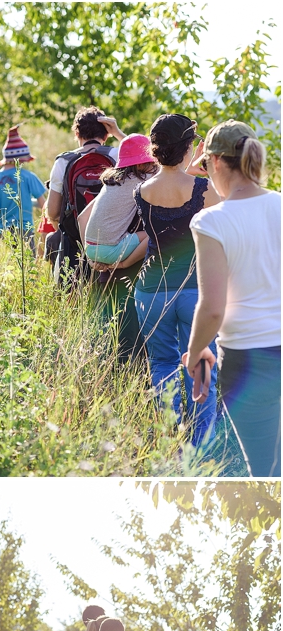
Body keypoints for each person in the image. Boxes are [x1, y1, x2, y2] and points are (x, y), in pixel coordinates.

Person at [183, 120, 282, 478]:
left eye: (207, 166)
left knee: (267, 471)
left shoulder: (211, 221)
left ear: (218, 163)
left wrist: (195, 354)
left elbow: (212, 308)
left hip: (249, 360)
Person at [133, 114, 220, 449]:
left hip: (151, 291)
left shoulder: (142, 190)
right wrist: (203, 173)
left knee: (162, 364)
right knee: (200, 367)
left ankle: (169, 441)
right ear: (188, 148)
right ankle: (198, 450)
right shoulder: (202, 189)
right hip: (194, 291)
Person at [45, 108, 126, 276]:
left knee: (71, 297)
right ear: (106, 134)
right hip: (116, 244)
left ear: (77, 134)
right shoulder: (119, 155)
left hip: (74, 246)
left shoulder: (64, 161)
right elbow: (151, 160)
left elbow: (52, 212)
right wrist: (118, 133)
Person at [80, 134, 157, 268]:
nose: (154, 166)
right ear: (140, 165)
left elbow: (81, 218)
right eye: (151, 163)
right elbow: (169, 177)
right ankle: (124, 264)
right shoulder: (143, 179)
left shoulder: (111, 182)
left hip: (90, 249)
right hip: (112, 251)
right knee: (155, 234)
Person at [0, 126, 46, 251]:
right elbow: (44, 204)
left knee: (11, 260)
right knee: (28, 262)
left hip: (3, 229)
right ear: (21, 159)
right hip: (25, 227)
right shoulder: (28, 176)